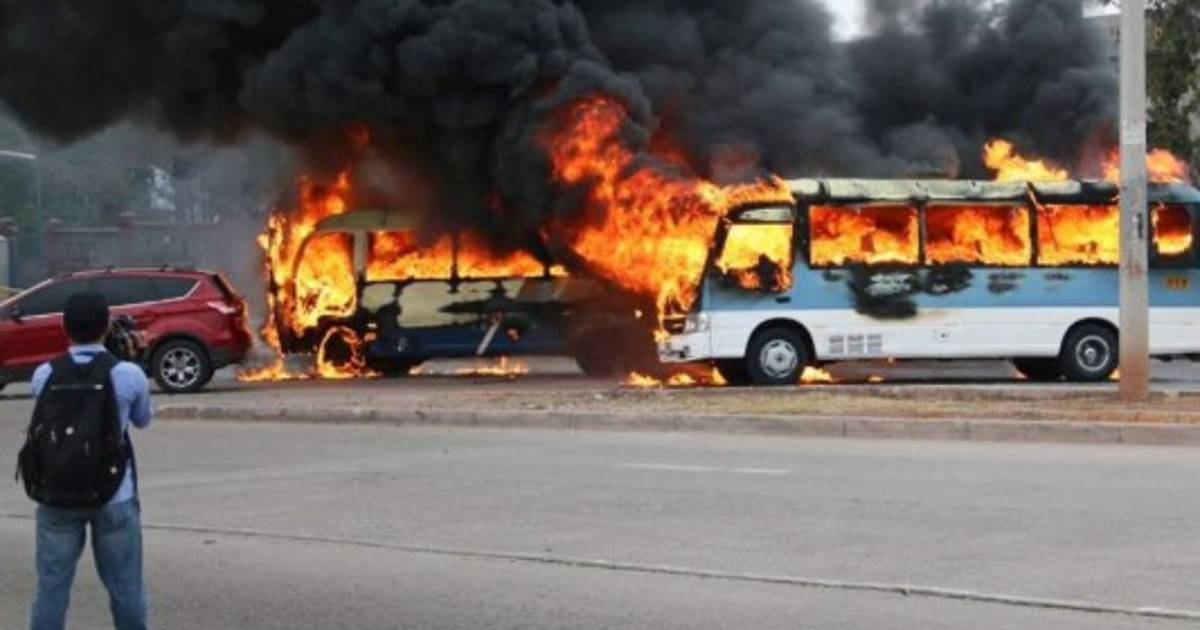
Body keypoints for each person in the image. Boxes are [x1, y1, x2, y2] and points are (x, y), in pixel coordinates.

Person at [27, 293, 152, 630]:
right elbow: (142, 419)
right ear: (107, 326)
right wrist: (133, 360)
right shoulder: (127, 374)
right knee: (126, 587)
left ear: (63, 327)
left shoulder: (43, 374)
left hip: (56, 493)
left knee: (51, 588)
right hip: (115, 494)